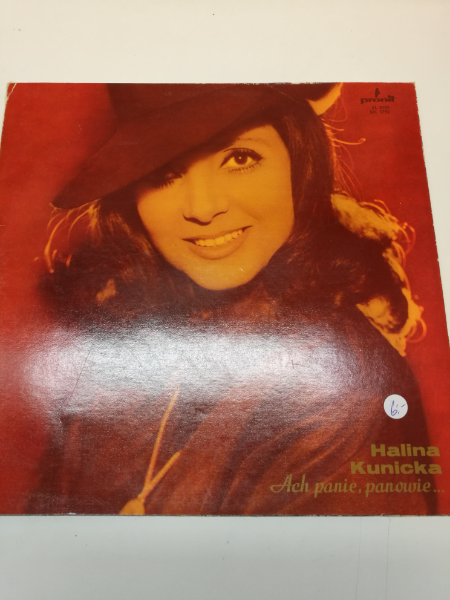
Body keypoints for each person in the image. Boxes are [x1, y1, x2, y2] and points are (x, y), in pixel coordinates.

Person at [28, 83, 436, 515]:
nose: (202, 208)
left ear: (301, 166)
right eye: (164, 173)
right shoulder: (116, 357)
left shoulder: (343, 397)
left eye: (240, 159)